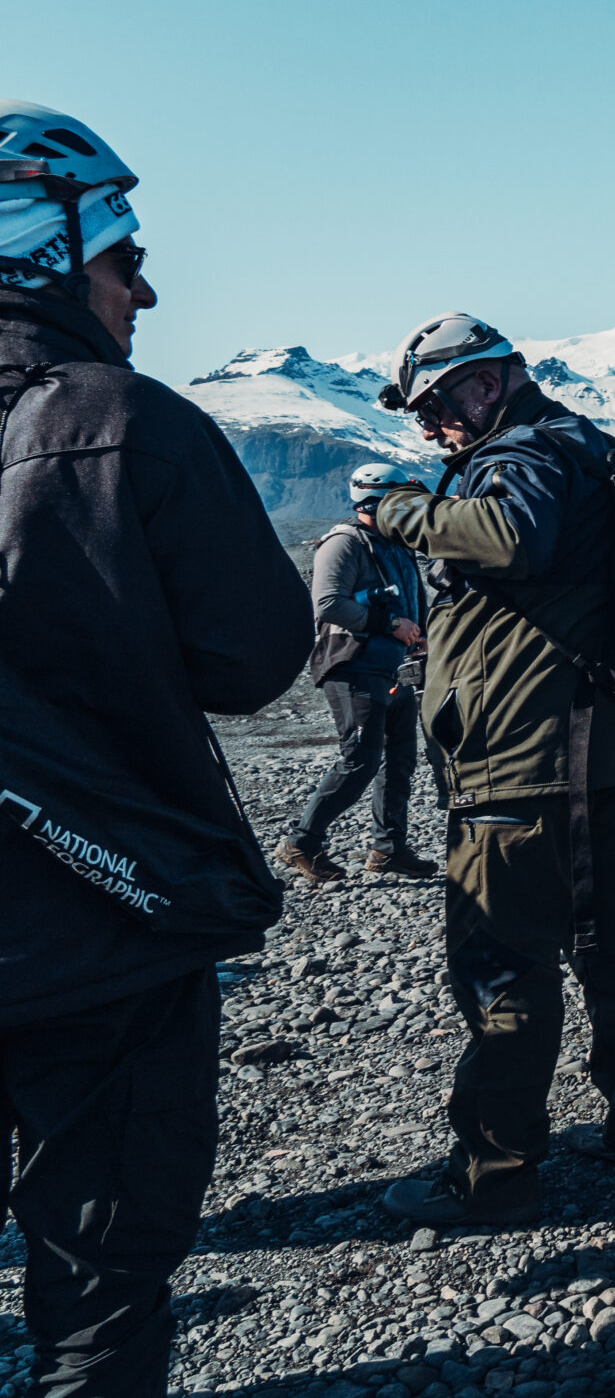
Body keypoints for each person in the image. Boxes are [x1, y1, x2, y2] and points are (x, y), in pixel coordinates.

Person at [0, 101, 310, 1396]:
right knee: (100, 1273)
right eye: (124, 256)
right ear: (48, 251)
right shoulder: (125, 423)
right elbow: (255, 656)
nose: (145, 287)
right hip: (98, 925)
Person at [366, 312, 615, 1227]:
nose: (431, 429)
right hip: (598, 753)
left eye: (436, 406)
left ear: (485, 381)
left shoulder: (526, 454)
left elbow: (512, 535)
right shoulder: (581, 443)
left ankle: (494, 1173)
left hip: (523, 762)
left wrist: (397, 510)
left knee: (502, 962)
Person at [278, 462, 436, 882]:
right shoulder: (344, 543)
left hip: (395, 667)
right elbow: (327, 604)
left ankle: (389, 850)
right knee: (361, 760)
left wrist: (418, 633)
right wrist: (391, 625)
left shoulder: (396, 544)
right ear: (378, 499)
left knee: (399, 761)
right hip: (355, 664)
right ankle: (301, 843)